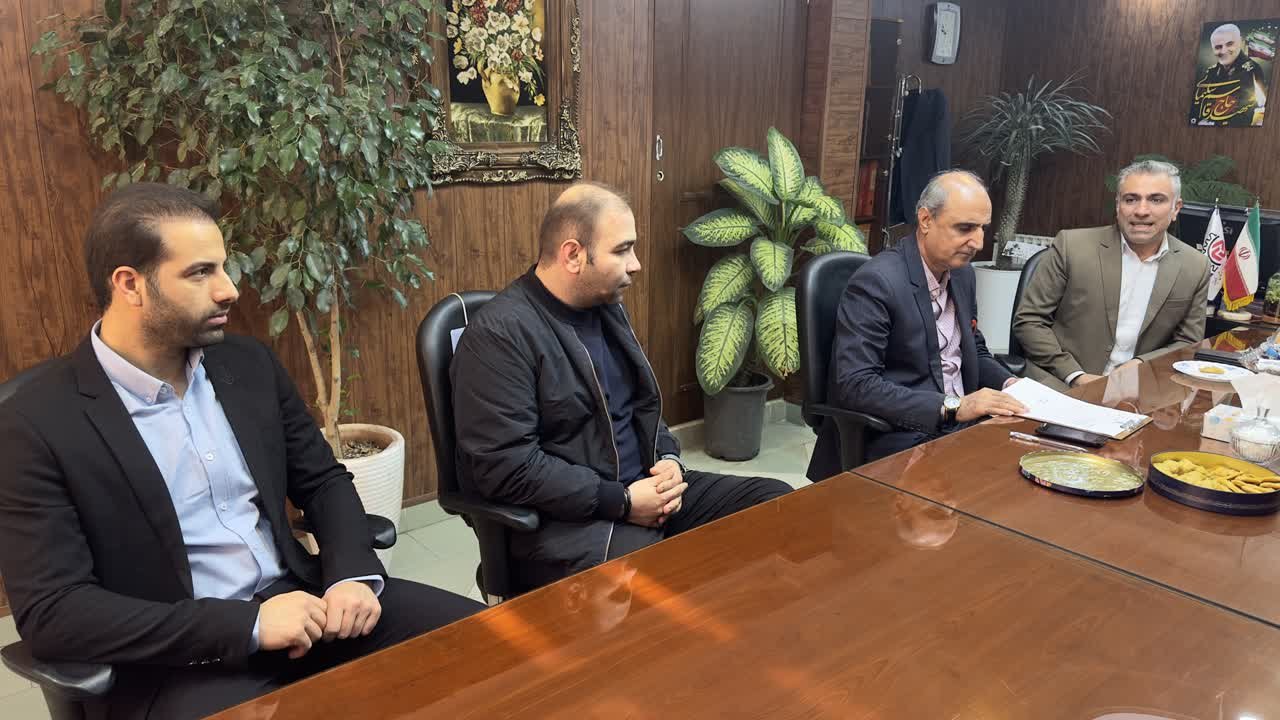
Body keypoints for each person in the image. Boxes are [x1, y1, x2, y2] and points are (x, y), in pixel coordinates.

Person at [0, 183, 482, 720]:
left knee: (494, 651)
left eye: (224, 267)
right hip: (181, 662)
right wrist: (247, 625)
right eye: (200, 272)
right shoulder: (34, 423)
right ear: (130, 284)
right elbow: (54, 612)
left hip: (311, 605)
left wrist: (350, 573)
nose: (229, 289)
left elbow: (322, 480)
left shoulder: (247, 366)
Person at [451, 182, 791, 591]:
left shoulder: (606, 308)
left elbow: (641, 407)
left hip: (644, 490)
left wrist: (668, 459)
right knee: (667, 585)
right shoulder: (500, 335)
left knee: (777, 505)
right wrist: (624, 502)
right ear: (573, 255)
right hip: (566, 521)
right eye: (622, 250)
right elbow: (507, 468)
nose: (636, 265)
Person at [807, 170, 1026, 480]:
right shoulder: (876, 282)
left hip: (962, 427)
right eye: (965, 228)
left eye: (982, 228)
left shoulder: (962, 273)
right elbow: (855, 384)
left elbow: (973, 348)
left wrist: (1011, 384)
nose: (978, 242)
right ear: (925, 220)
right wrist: (953, 407)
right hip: (902, 434)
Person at [1012, 160, 1210, 391]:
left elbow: (1187, 343)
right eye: (1131, 199)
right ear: (1118, 205)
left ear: (1176, 208)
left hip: (1141, 389)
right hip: (1060, 382)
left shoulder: (1194, 265)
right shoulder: (1071, 246)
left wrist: (1141, 364)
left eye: (1156, 200)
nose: (1141, 211)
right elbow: (1030, 321)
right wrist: (1076, 376)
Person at [1191, 23, 1267, 126]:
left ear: (1240, 42)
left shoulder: (1253, 70)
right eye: (1218, 47)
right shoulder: (1211, 72)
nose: (1224, 51)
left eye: (1230, 44)